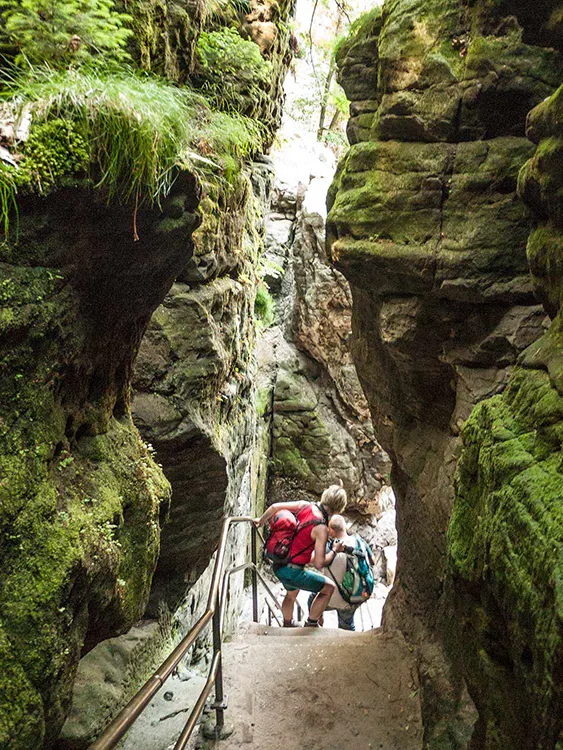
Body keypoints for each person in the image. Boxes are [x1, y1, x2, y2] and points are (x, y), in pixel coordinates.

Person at [255, 483, 347, 627]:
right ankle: (311, 623)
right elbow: (319, 563)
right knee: (329, 588)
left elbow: (275, 507)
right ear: (338, 509)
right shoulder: (321, 528)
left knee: (292, 594)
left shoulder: (305, 505)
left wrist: (261, 521)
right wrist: (335, 550)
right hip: (293, 571)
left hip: (279, 564)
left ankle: (287, 624)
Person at [308, 514, 375, 631]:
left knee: (312, 599)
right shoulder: (360, 542)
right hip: (357, 594)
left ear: (332, 531)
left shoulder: (329, 548)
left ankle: (317, 620)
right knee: (347, 622)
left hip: (333, 597)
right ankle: (348, 638)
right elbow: (372, 561)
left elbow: (311, 560)